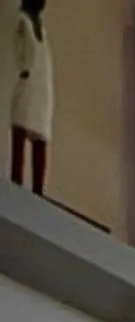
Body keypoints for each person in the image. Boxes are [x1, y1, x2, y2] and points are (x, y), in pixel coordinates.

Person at [9, 0, 48, 195]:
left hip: (42, 87)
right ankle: (16, 182)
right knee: (21, 127)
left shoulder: (41, 25)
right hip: (30, 81)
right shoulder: (23, 20)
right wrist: (24, 69)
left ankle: (37, 191)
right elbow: (19, 48)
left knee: (40, 136)